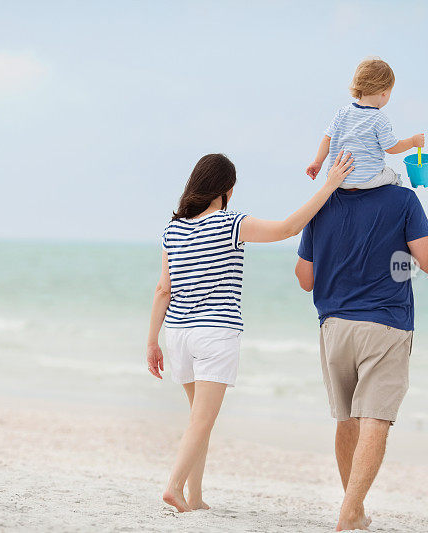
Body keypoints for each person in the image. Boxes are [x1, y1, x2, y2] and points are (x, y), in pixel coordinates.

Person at [146, 150, 354, 512]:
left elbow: (163, 289)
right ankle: (174, 487)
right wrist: (330, 185)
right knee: (202, 420)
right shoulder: (232, 224)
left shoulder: (172, 229)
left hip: (177, 334)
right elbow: (290, 228)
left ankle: (194, 497)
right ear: (225, 189)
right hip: (215, 333)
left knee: (199, 420)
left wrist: (152, 340)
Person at [295, 184, 428, 530]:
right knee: (375, 419)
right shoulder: (403, 199)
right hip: (386, 325)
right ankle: (350, 512)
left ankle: (353, 508)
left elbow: (305, 279)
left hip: (334, 326)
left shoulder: (321, 201)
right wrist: (427, 228)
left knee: (347, 419)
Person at [306, 57, 425, 189]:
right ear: (384, 93)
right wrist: (413, 142)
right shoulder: (379, 118)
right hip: (367, 179)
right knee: (392, 175)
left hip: (338, 180)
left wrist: (317, 162)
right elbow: (391, 147)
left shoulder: (342, 113)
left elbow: (327, 138)